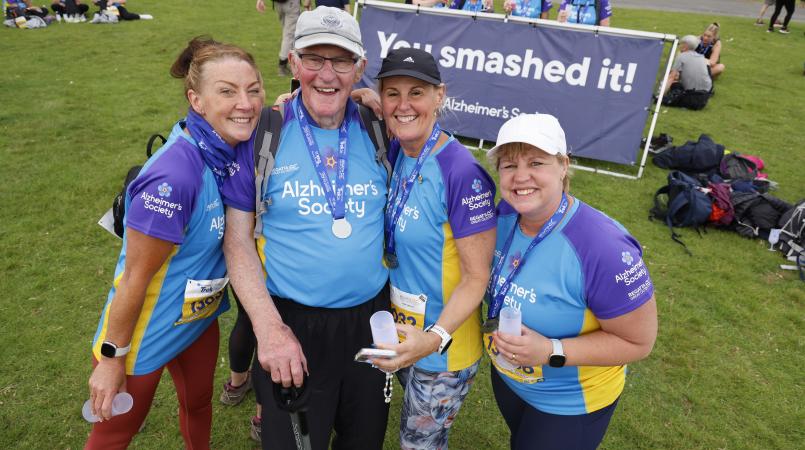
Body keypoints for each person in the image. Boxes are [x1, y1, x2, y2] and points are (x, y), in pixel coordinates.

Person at [221, 6, 391, 450]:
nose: (326, 74)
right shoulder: (263, 134)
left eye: (341, 61)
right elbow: (237, 242)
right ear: (293, 62)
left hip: (369, 322)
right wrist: (269, 329)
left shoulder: (381, 128)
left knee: (363, 442)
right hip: (290, 323)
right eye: (314, 59)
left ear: (360, 69)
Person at [84, 36, 264, 449]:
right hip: (143, 333)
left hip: (197, 322)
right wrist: (112, 360)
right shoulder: (174, 177)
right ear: (196, 100)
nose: (246, 103)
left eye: (253, 89)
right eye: (227, 91)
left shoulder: (229, 145)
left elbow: (292, 110)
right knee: (113, 435)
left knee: (198, 404)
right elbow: (132, 279)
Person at [484, 113, 658, 450]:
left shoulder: (602, 247)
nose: (521, 177)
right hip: (510, 380)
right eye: (508, 165)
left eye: (536, 162)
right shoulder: (503, 216)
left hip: (570, 403)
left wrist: (550, 350)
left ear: (563, 165)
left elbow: (639, 342)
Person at [369, 48, 497, 450]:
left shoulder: (461, 172)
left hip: (445, 347)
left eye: (417, 93)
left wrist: (435, 337)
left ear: (439, 95)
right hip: (405, 332)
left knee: (419, 445)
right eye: (393, 94)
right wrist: (361, 96)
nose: (403, 105)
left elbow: (478, 276)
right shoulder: (399, 149)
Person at [257, 0, 310, 77]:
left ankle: (292, 62)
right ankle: (282, 64)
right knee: (289, 35)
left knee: (287, 32)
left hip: (278, 3)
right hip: (291, 3)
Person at [661, 35, 712, 110]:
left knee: (671, 87)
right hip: (704, 100)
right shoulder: (702, 57)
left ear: (685, 46)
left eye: (681, 44)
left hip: (691, 98)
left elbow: (671, 77)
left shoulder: (681, 56)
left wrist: (660, 95)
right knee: (676, 84)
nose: (680, 46)